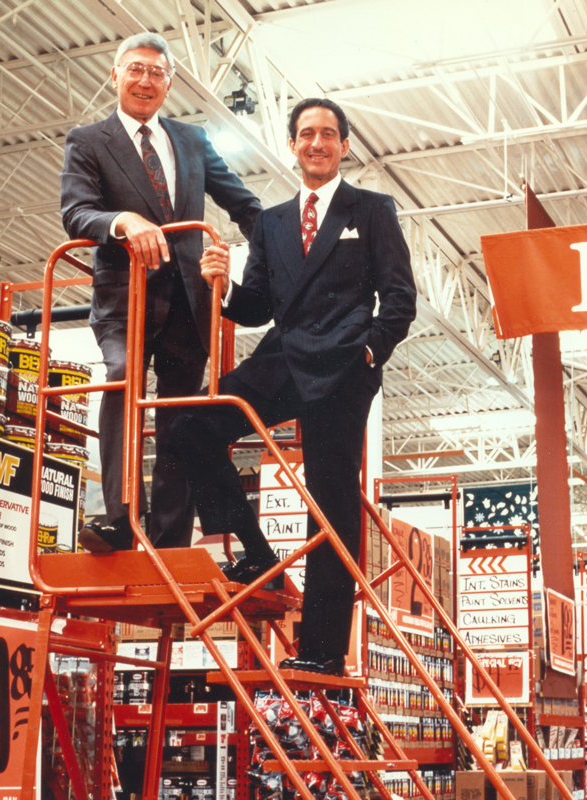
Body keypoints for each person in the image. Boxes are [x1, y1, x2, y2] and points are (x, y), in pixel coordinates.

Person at [166, 97, 417, 675]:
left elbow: (399, 300)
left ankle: (324, 651)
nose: (317, 143)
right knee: (190, 428)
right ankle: (256, 554)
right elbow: (256, 308)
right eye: (306, 134)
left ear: (345, 145)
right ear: (293, 145)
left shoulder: (372, 209)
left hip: (344, 368)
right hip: (283, 354)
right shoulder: (272, 221)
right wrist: (223, 288)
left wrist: (369, 353)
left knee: (330, 506)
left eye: (328, 134)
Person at [60, 32, 262, 552]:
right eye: (136, 69)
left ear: (169, 82)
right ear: (115, 75)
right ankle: (118, 519)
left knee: (180, 416)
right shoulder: (88, 141)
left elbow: (244, 203)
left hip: (190, 302)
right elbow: (76, 212)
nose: (146, 80)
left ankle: (171, 537)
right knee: (121, 380)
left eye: (156, 72)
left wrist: (289, 247)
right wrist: (123, 220)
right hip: (123, 298)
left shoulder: (192, 140)